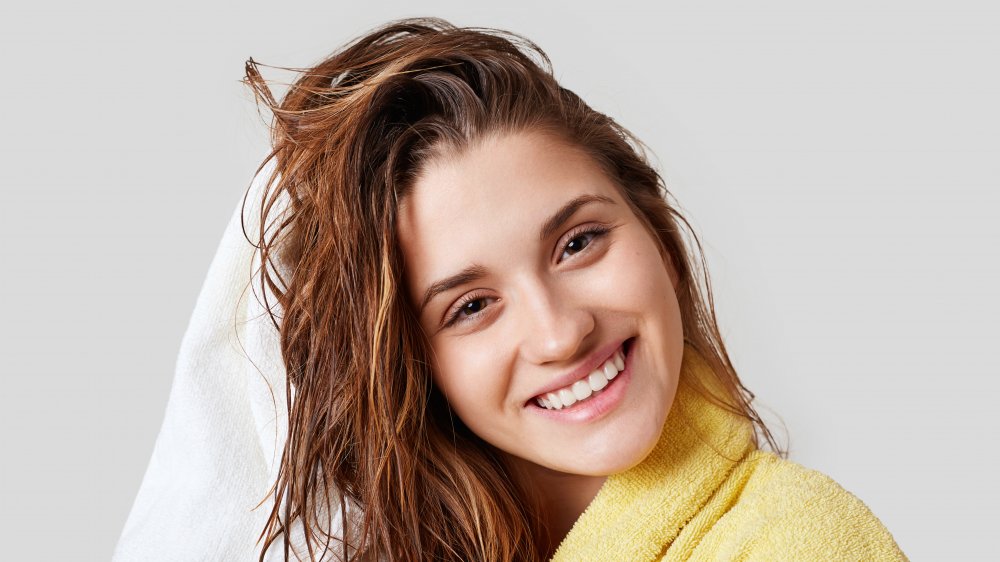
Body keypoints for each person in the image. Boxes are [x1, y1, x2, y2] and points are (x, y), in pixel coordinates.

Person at [241, 17, 907, 561]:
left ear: (657, 234)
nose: (561, 333)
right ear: (415, 367)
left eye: (578, 243)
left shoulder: (798, 543)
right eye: (472, 307)